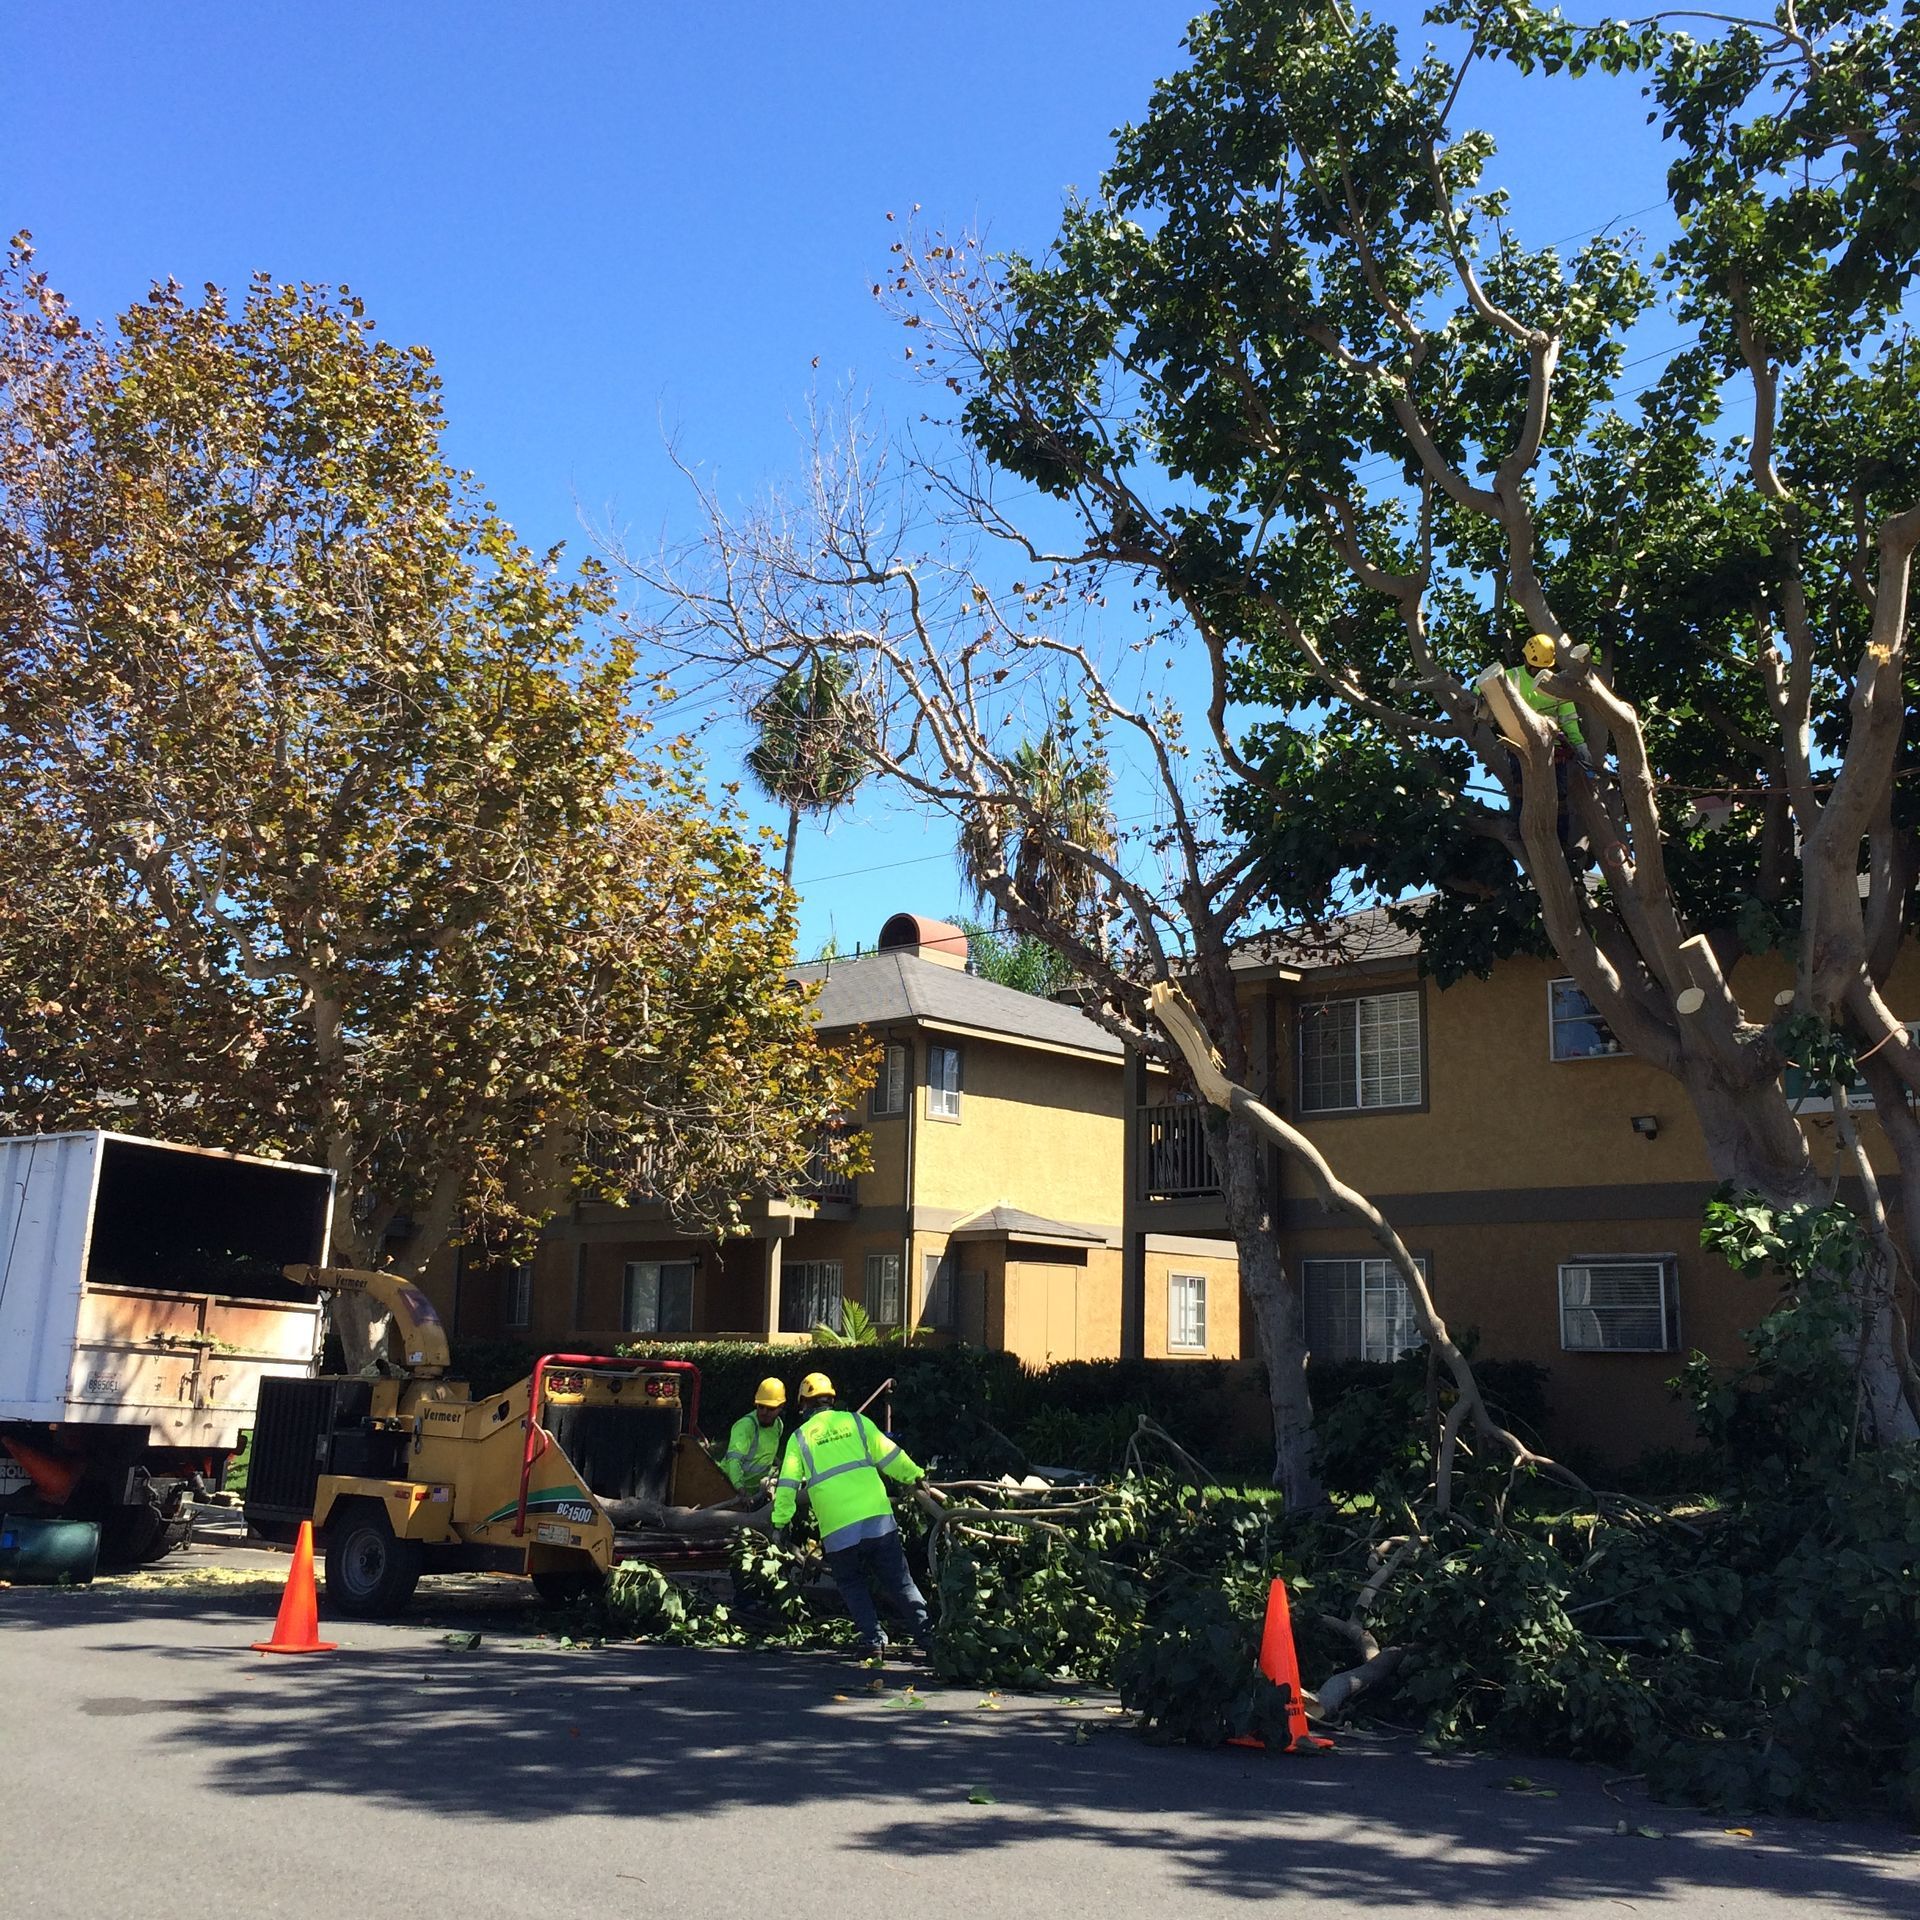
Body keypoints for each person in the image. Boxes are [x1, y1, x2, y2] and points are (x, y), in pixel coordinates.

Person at [770, 1370, 934, 1660]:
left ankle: (872, 1639)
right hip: (878, 1520)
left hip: (838, 1530)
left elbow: (787, 1486)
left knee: (851, 1583)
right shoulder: (857, 1422)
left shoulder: (799, 1438)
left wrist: (779, 1523)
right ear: (831, 1399)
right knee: (900, 1581)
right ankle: (929, 1637)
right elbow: (890, 1455)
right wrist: (916, 1476)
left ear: (804, 1405)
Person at [1511, 632, 1593, 768]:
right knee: (1521, 786)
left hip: (1552, 748)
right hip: (1520, 746)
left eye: (1543, 668)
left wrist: (1580, 745)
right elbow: (1483, 689)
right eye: (1536, 667)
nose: (1538, 671)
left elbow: (1568, 720)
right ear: (1525, 659)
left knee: (1560, 787)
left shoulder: (1557, 685)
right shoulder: (1513, 677)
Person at [717, 1377, 787, 1492]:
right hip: (728, 1487)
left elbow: (763, 1451)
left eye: (770, 1408)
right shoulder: (745, 1426)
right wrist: (740, 1489)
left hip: (755, 1490)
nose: (764, 1412)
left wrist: (779, 1463)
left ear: (781, 1407)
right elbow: (733, 1461)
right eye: (761, 1406)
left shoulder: (778, 1425)